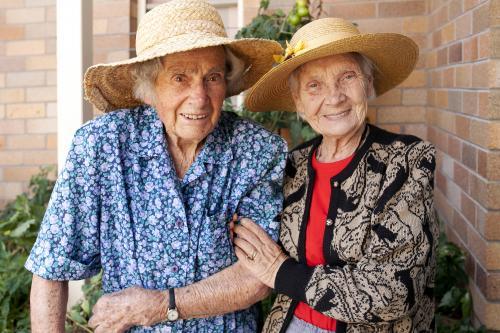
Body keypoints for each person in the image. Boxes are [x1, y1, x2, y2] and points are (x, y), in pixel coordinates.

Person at [25, 1, 287, 332]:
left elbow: (258, 276)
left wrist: (159, 306)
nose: (200, 98)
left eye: (213, 77)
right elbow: (52, 265)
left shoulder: (257, 151)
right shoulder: (104, 145)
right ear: (150, 87)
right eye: (180, 77)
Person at [234, 17, 438, 333]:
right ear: (298, 103)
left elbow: (395, 292)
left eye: (347, 77)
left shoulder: (408, 161)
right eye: (314, 85)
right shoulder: (293, 165)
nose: (334, 97)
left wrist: (280, 272)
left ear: (368, 83)